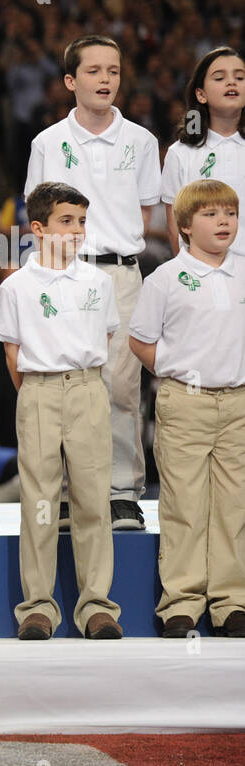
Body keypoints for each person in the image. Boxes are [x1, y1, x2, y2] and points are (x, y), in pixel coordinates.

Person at [24, 34, 161, 532]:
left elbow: (144, 213)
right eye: (94, 71)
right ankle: (64, 493)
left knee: (122, 387)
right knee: (64, 386)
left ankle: (122, 492)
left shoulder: (142, 141)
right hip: (63, 272)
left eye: (114, 71)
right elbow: (35, 214)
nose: (106, 80)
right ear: (70, 81)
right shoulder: (46, 142)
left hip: (122, 272)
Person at [0, 181, 123, 640]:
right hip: (39, 392)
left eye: (82, 222)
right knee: (41, 502)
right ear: (38, 228)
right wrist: (39, 392)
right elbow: (13, 355)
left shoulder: (98, 281)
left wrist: (77, 383)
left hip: (88, 390)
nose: (76, 231)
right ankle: (38, 607)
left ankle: (97, 606)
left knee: (92, 499)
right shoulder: (16, 287)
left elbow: (102, 341)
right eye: (66, 221)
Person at [129, 179, 245, 638]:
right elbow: (140, 340)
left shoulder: (243, 271)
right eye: (211, 214)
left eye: (230, 214)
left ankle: (231, 600)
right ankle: (180, 601)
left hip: (237, 403)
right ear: (183, 226)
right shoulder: (165, 279)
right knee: (182, 504)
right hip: (186, 403)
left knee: (234, 506)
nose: (224, 222)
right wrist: (178, 372)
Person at [160, 47, 245, 256]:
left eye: (240, 77)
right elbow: (175, 226)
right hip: (201, 272)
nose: (231, 82)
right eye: (219, 78)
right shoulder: (180, 153)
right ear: (201, 94)